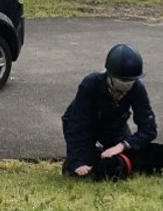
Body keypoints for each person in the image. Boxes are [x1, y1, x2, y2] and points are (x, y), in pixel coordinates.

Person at [61, 44, 157, 176]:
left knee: (127, 164)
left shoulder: (137, 88)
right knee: (83, 170)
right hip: (86, 127)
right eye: (122, 80)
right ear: (110, 75)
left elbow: (149, 128)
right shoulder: (90, 84)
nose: (126, 85)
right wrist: (77, 162)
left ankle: (101, 153)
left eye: (130, 81)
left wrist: (122, 146)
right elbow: (76, 124)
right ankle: (83, 157)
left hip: (114, 126)